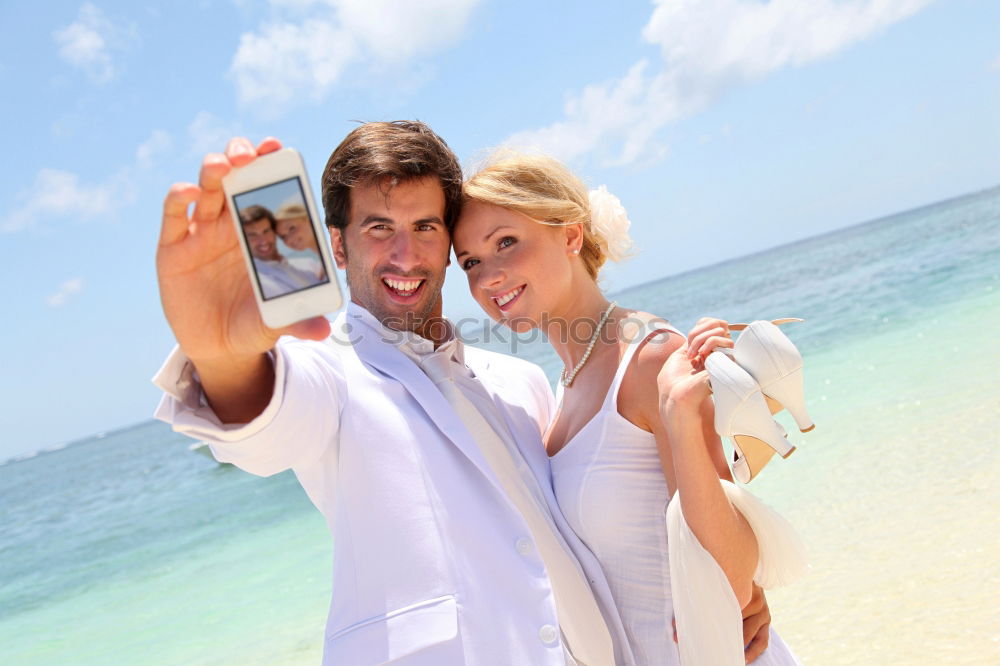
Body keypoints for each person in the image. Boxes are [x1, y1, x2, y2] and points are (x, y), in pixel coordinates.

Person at [153, 122, 639, 665]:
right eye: (379, 228)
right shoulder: (330, 374)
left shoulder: (521, 383)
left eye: (425, 227)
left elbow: (602, 508)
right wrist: (223, 358)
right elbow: (267, 424)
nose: (406, 255)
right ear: (337, 245)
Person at [454, 152, 805, 665]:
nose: (488, 276)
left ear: (571, 235)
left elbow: (729, 575)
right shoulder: (564, 389)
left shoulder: (651, 359)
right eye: (469, 262)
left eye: (505, 242)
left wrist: (684, 418)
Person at [239, 204, 325, 298]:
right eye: (252, 235)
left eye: (266, 231)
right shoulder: (254, 284)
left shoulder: (309, 264)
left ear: (274, 232)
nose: (263, 240)